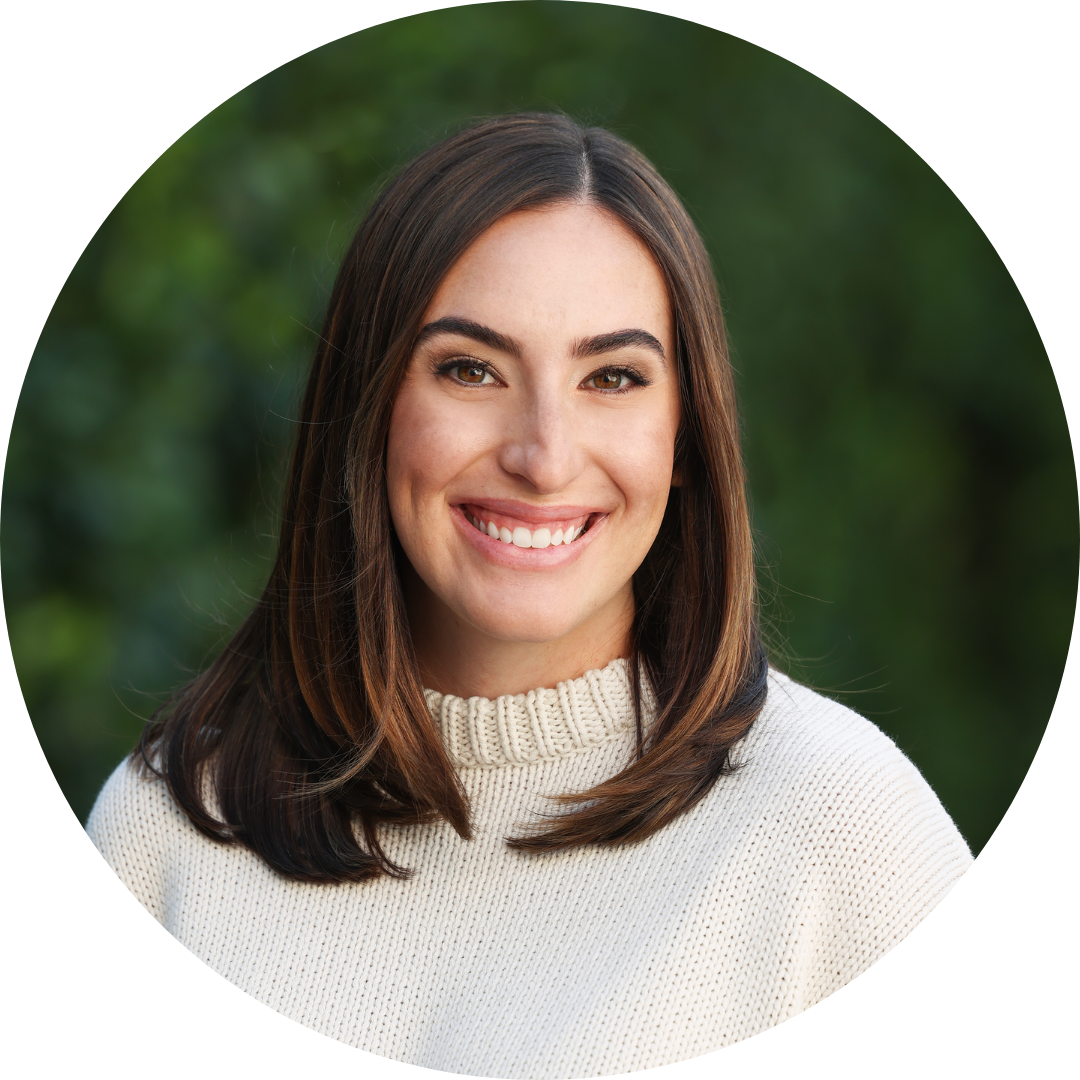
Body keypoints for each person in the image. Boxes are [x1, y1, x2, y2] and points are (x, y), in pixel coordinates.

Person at [86, 112, 1036, 1079]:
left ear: (686, 439)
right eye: (471, 369)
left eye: (612, 378)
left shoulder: (837, 827)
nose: (543, 456)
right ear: (367, 411)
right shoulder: (170, 826)